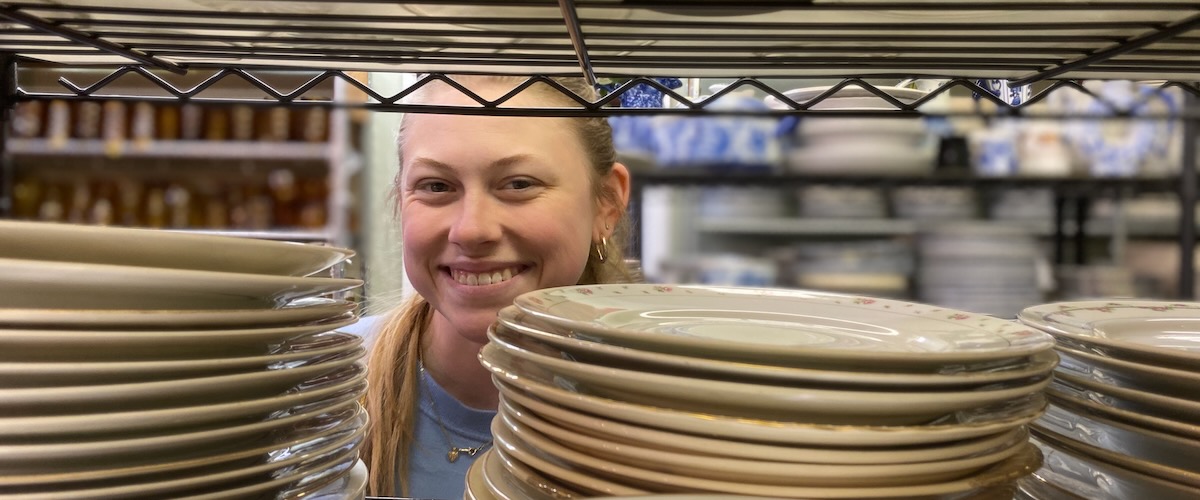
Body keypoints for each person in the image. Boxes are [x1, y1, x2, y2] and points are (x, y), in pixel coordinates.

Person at [351, 74, 634, 499]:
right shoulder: (324, 382)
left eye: (519, 184)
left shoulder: (671, 411)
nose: (471, 230)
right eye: (436, 186)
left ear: (606, 204)